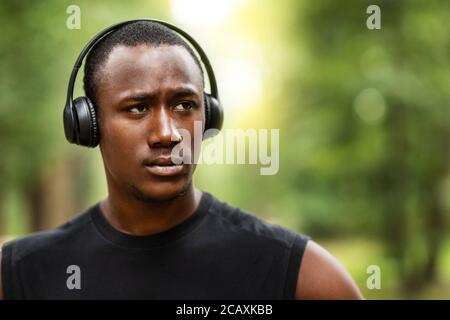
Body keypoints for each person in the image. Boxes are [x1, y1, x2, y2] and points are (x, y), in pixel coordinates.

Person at [0, 20, 362, 300]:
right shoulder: (19, 276)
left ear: (210, 117)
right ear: (88, 125)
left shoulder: (301, 276)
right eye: (138, 108)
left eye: (184, 105)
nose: (168, 133)